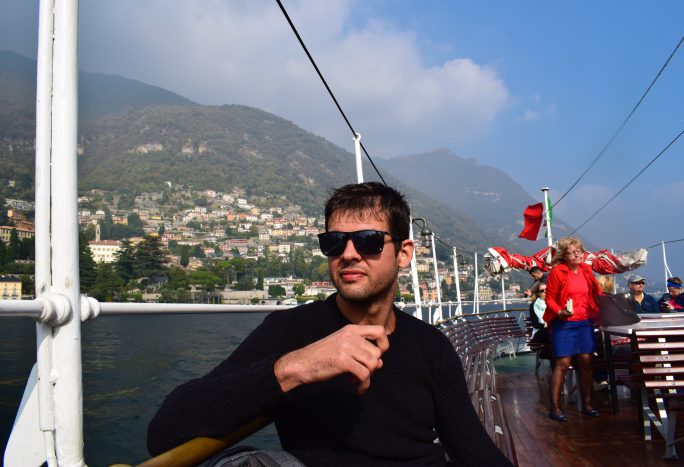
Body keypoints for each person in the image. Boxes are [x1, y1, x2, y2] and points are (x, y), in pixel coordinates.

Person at [148, 182, 511, 466]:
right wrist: (297, 367)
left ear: (403, 253)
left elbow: (473, 451)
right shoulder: (290, 331)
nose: (348, 254)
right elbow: (165, 432)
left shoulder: (431, 346)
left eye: (369, 241)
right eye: (334, 242)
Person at [543, 236, 602, 422]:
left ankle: (587, 404)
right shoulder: (557, 272)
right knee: (563, 363)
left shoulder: (586, 270)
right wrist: (559, 311)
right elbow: (549, 298)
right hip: (564, 323)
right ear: (563, 255)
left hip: (585, 321)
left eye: (580, 251)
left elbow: (595, 293)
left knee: (586, 361)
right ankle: (554, 407)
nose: (578, 255)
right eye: (572, 252)